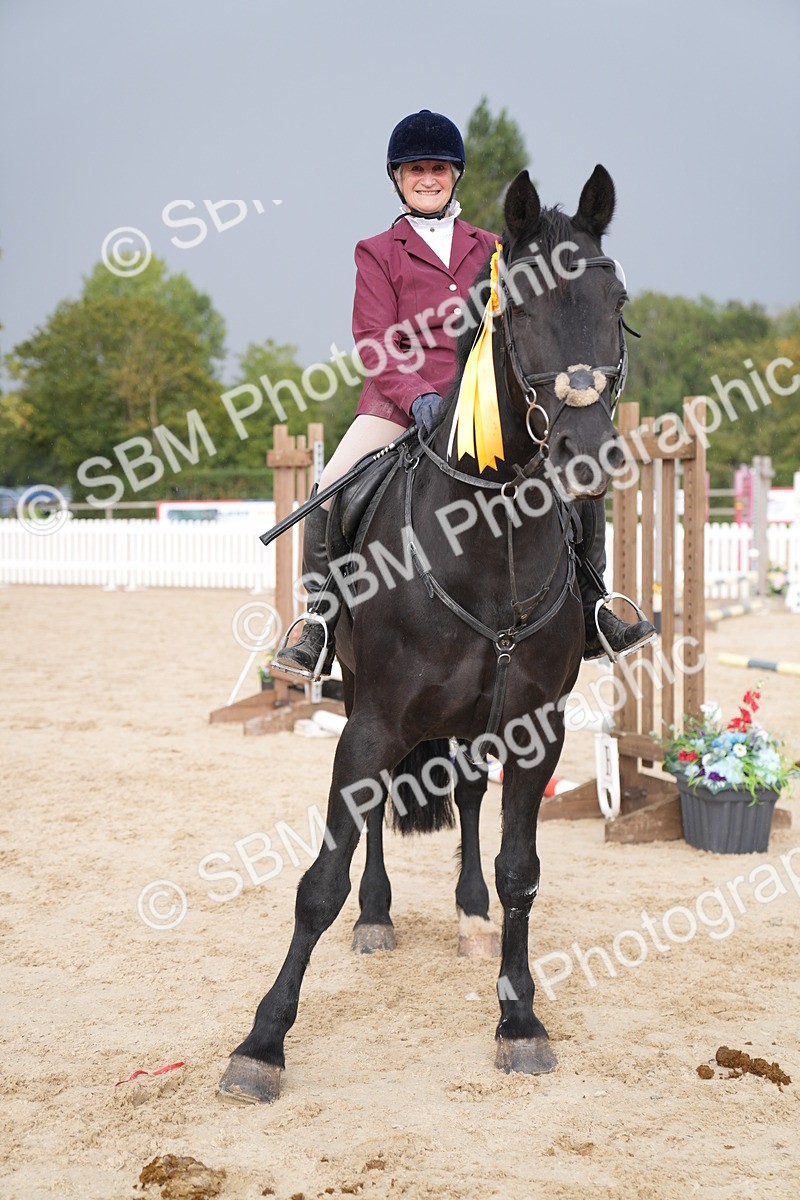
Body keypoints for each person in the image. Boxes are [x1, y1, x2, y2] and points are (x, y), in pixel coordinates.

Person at [272, 109, 655, 679]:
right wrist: (420, 396)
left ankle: (596, 604)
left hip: (485, 406)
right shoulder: (377, 251)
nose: (428, 178)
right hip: (399, 405)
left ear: (456, 177)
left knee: (572, 470)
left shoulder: (495, 248)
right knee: (329, 489)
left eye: (439, 169)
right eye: (416, 169)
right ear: (397, 179)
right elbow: (374, 342)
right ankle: (319, 623)